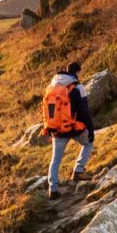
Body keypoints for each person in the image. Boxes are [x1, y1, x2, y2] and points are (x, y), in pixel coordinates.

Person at [41, 66, 93, 198]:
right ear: (76, 72)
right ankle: (78, 170)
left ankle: (52, 190)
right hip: (73, 128)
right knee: (88, 142)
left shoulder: (51, 87)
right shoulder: (77, 87)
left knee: (55, 159)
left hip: (56, 130)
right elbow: (84, 112)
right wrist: (90, 129)